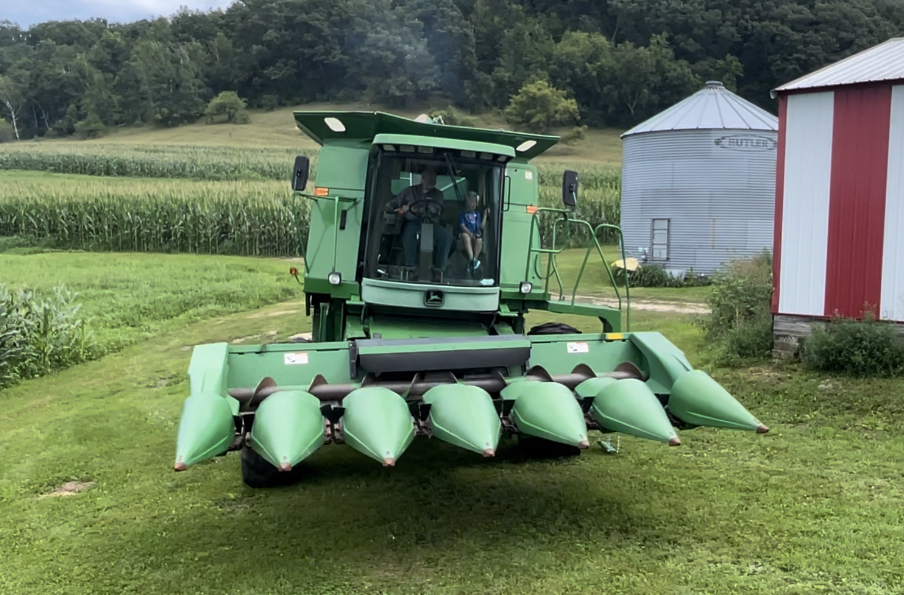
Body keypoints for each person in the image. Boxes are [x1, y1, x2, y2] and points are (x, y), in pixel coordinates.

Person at [384, 166, 453, 275]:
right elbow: (392, 204)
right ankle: (410, 268)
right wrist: (392, 208)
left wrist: (410, 207)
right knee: (408, 235)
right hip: (413, 222)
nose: (433, 181)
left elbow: (435, 208)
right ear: (423, 178)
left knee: (446, 236)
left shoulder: (438, 194)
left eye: (434, 178)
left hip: (432, 224)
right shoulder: (409, 191)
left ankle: (439, 270)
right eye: (430, 177)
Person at [458, 191, 486, 272]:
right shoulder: (462, 214)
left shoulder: (477, 214)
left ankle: (475, 259)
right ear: (466, 202)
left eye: (474, 202)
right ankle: (471, 259)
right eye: (470, 201)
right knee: (465, 237)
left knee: (479, 239)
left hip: (475, 234)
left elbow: (482, 226)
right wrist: (469, 233)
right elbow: (462, 226)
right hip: (465, 233)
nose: (472, 204)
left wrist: (485, 215)